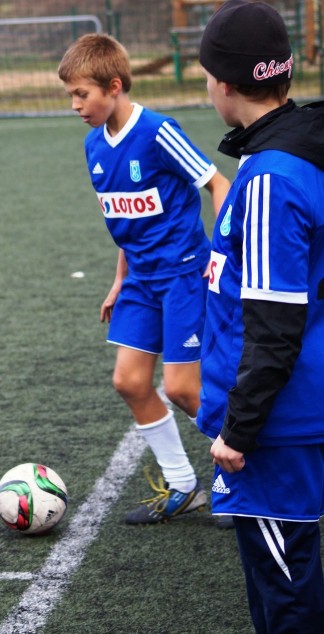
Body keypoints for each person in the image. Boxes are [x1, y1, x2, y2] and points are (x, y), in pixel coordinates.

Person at [57, 34, 230, 525]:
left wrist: (219, 254)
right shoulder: (94, 146)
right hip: (140, 282)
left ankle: (242, 474)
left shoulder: (157, 132)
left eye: (81, 94)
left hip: (182, 277)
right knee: (130, 382)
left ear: (113, 86)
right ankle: (183, 485)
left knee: (182, 388)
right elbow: (125, 225)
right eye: (70, 95)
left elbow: (218, 184)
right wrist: (118, 281)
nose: (75, 105)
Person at [197, 1, 324, 630]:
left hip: (277, 423)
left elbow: (276, 326)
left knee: (285, 591)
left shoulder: (272, 175)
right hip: (287, 409)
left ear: (223, 82)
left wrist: (239, 431)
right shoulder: (281, 152)